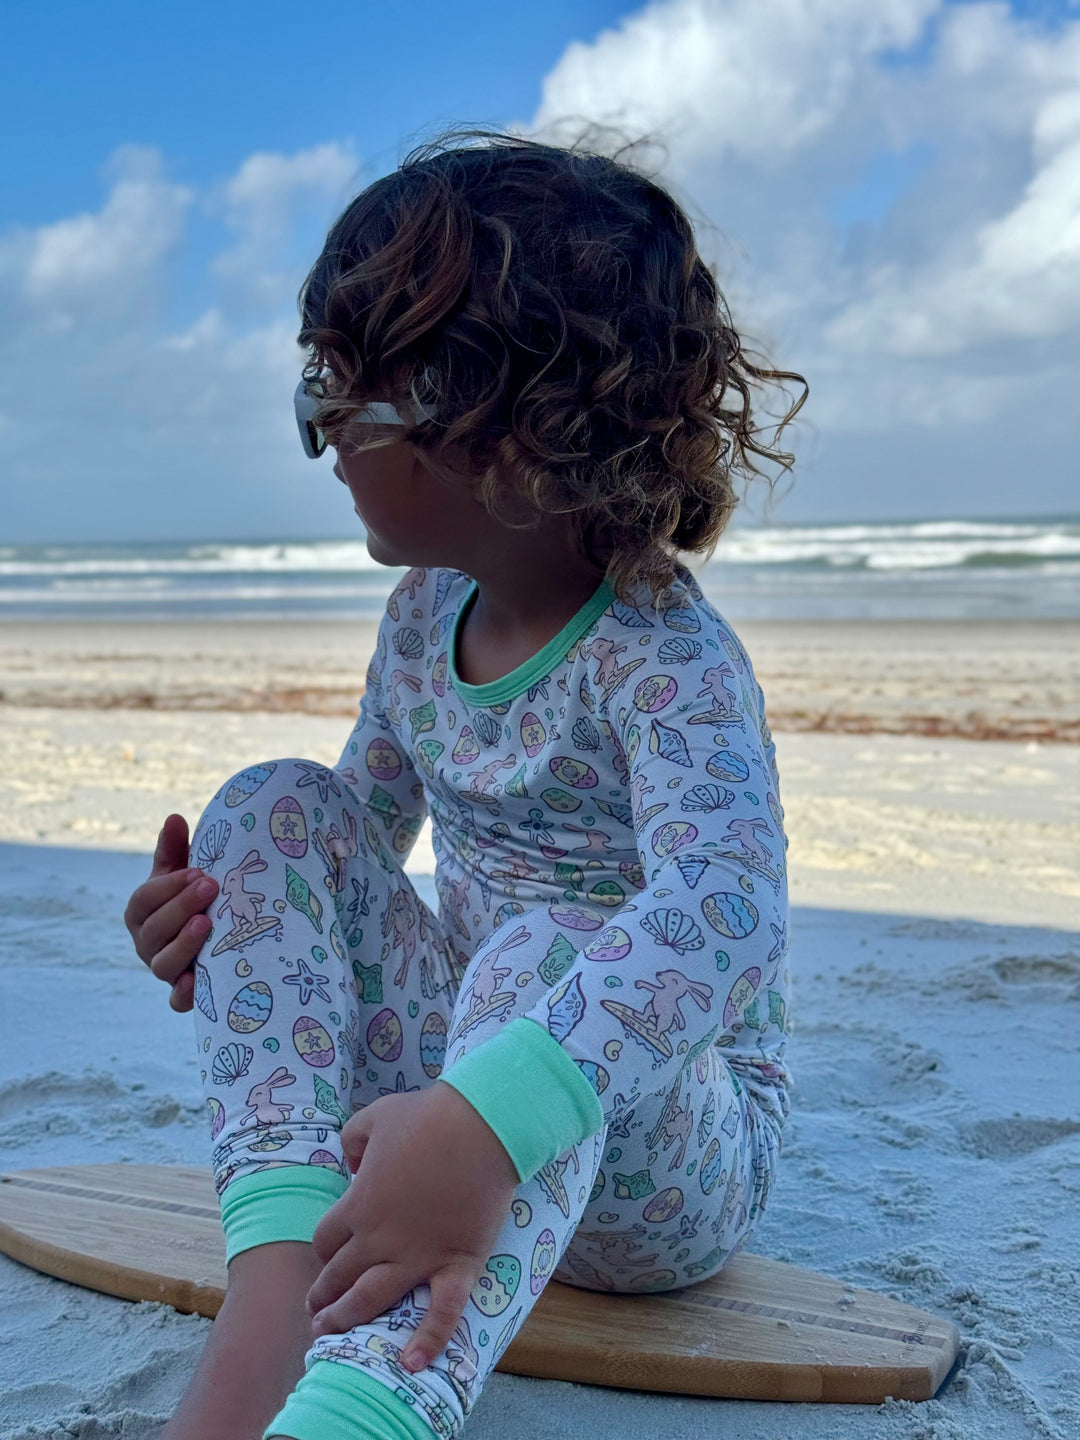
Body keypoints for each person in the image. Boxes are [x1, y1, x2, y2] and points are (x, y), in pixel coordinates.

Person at [124, 124, 808, 1440]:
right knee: (270, 805)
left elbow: (731, 915)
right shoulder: (421, 616)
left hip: (666, 1147)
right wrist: (224, 926)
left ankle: (372, 1407)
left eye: (340, 401)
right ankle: (279, 1286)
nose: (318, 442)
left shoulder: (663, 658)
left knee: (547, 948)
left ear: (507, 437)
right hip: (457, 1089)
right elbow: (351, 841)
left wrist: (499, 1110)